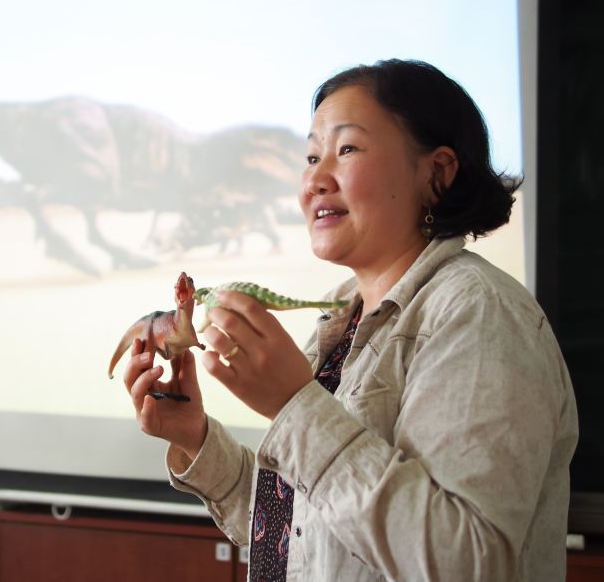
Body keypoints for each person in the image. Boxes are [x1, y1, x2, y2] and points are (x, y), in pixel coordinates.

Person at [122, 59, 578, 581]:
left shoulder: (478, 313)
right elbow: (313, 536)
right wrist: (196, 439)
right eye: (312, 155)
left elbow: (466, 563)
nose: (315, 179)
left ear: (438, 173)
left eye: (347, 150)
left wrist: (294, 407)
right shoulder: (344, 315)